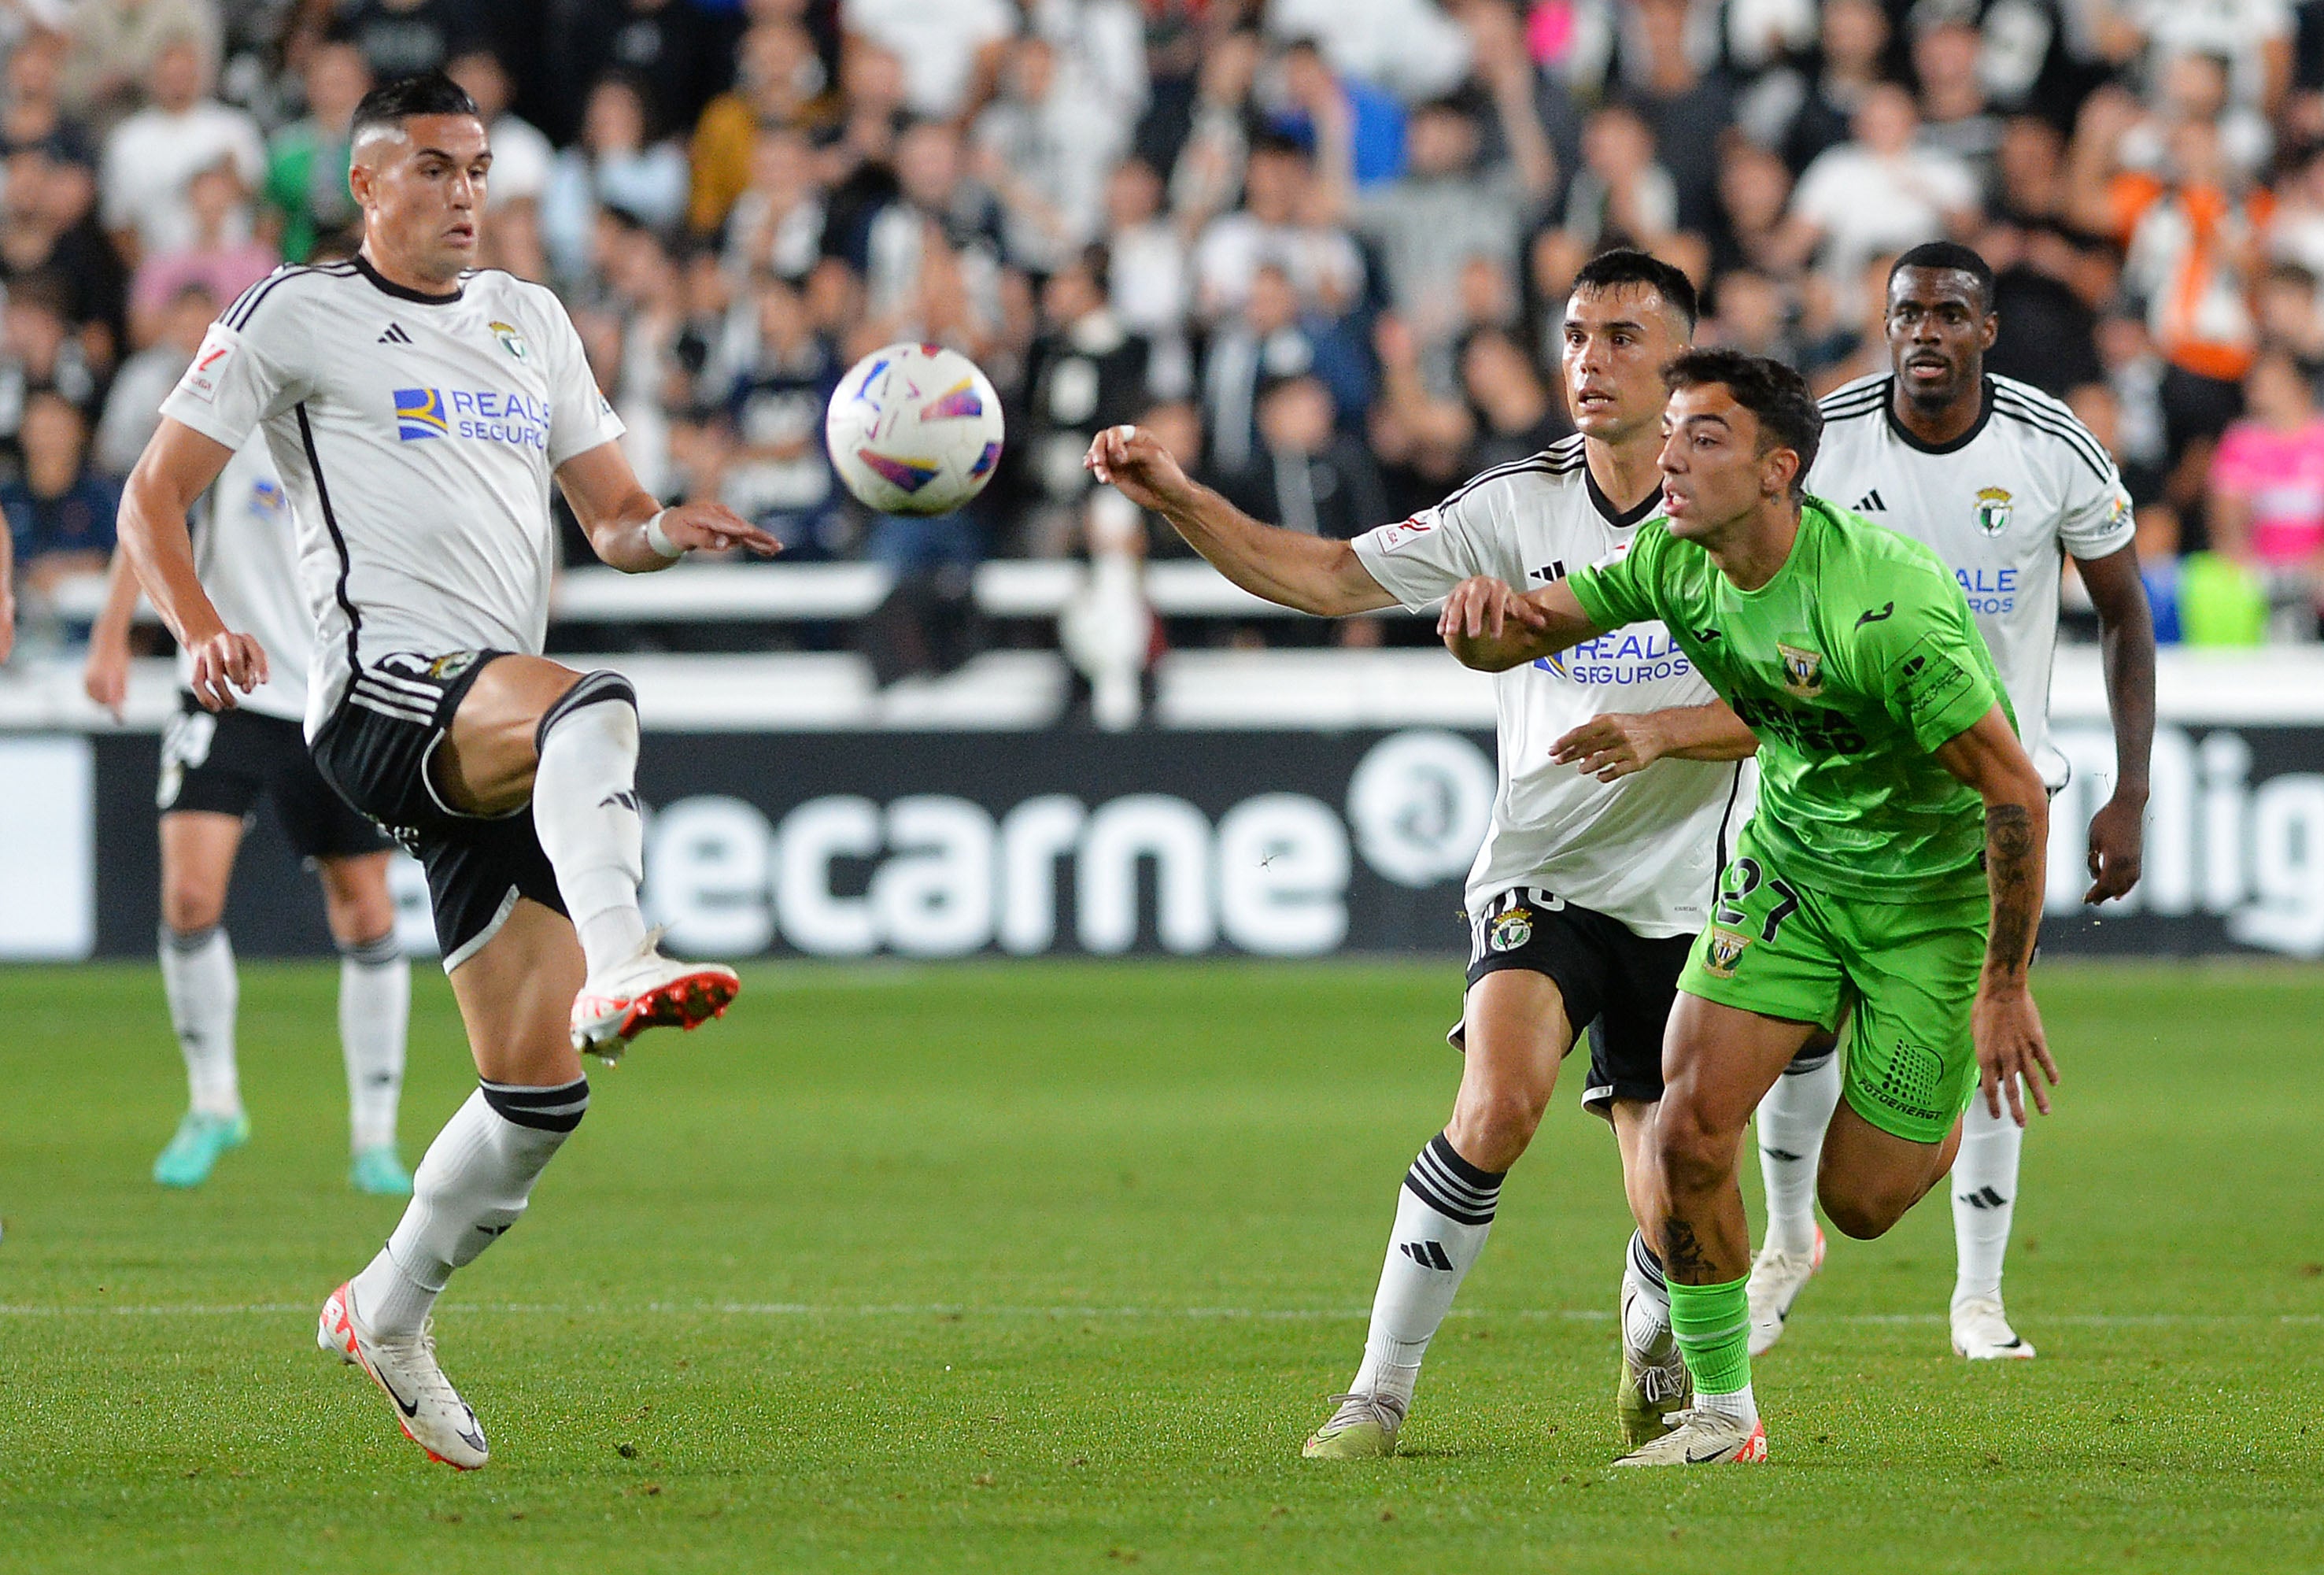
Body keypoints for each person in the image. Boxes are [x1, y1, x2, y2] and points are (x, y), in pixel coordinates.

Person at [114, 72, 778, 1472]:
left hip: (482, 724)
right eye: (432, 167)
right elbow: (151, 492)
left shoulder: (529, 319)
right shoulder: (293, 312)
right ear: (367, 185)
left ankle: (386, 1309)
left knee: (536, 1095)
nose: (465, 193)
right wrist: (199, 625)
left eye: (475, 167)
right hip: (372, 694)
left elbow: (609, 519)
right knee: (594, 701)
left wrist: (674, 532)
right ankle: (624, 953)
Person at [1087, 250, 1759, 1459]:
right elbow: (1329, 576)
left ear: (1683, 363)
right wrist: (1179, 497)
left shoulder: (1737, 518)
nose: (1587, 363)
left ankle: (1652, 1316)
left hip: (1691, 893)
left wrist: (1662, 731)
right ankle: (1376, 1394)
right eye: (1572, 337)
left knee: (1675, 1194)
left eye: (1619, 338)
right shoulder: (1510, 507)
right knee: (1497, 1105)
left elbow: (1802, 700)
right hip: (1540, 873)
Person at [1432, 347, 2055, 1465]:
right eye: (1669, 431)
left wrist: (2003, 986)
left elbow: (2011, 790)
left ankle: (1928, 1089)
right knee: (1684, 1128)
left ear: (1778, 470)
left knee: (1858, 1203)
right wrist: (1483, 624)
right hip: (1792, 874)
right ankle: (1722, 1413)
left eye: (1702, 437)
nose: (1666, 454)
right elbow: (1528, 625)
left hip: (1926, 906)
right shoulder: (1677, 560)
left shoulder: (1886, 609)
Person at [1742, 242, 2154, 1362]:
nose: (1924, 331)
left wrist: (2130, 789)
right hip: (1840, 794)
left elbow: (2123, 609)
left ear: (1986, 331)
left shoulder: (2048, 443)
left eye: (1948, 313)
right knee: (1797, 1028)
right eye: (1906, 312)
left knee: (1990, 1021)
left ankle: (1978, 1297)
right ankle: (1785, 1244)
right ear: (1884, 324)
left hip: (1990, 798)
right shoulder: (1824, 444)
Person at [85, 432, 416, 1196]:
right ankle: (213, 1101)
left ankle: (375, 1134)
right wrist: (111, 636)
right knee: (190, 898)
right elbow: (152, 500)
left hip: (337, 696)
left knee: (364, 911)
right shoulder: (232, 412)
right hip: (223, 687)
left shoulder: (362, 420)